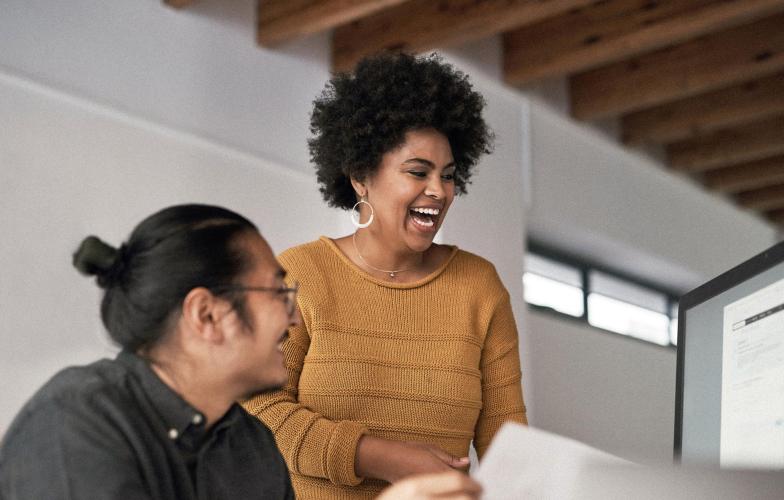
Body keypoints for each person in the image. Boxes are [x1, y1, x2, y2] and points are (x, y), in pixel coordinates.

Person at [0, 203, 481, 500]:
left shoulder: (250, 445)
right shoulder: (78, 420)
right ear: (207, 315)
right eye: (278, 294)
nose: (294, 318)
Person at [243, 52, 528, 499]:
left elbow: (507, 442)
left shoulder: (480, 287)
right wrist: (378, 455)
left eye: (449, 175)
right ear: (360, 177)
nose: (438, 191)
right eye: (418, 171)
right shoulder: (302, 273)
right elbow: (258, 410)